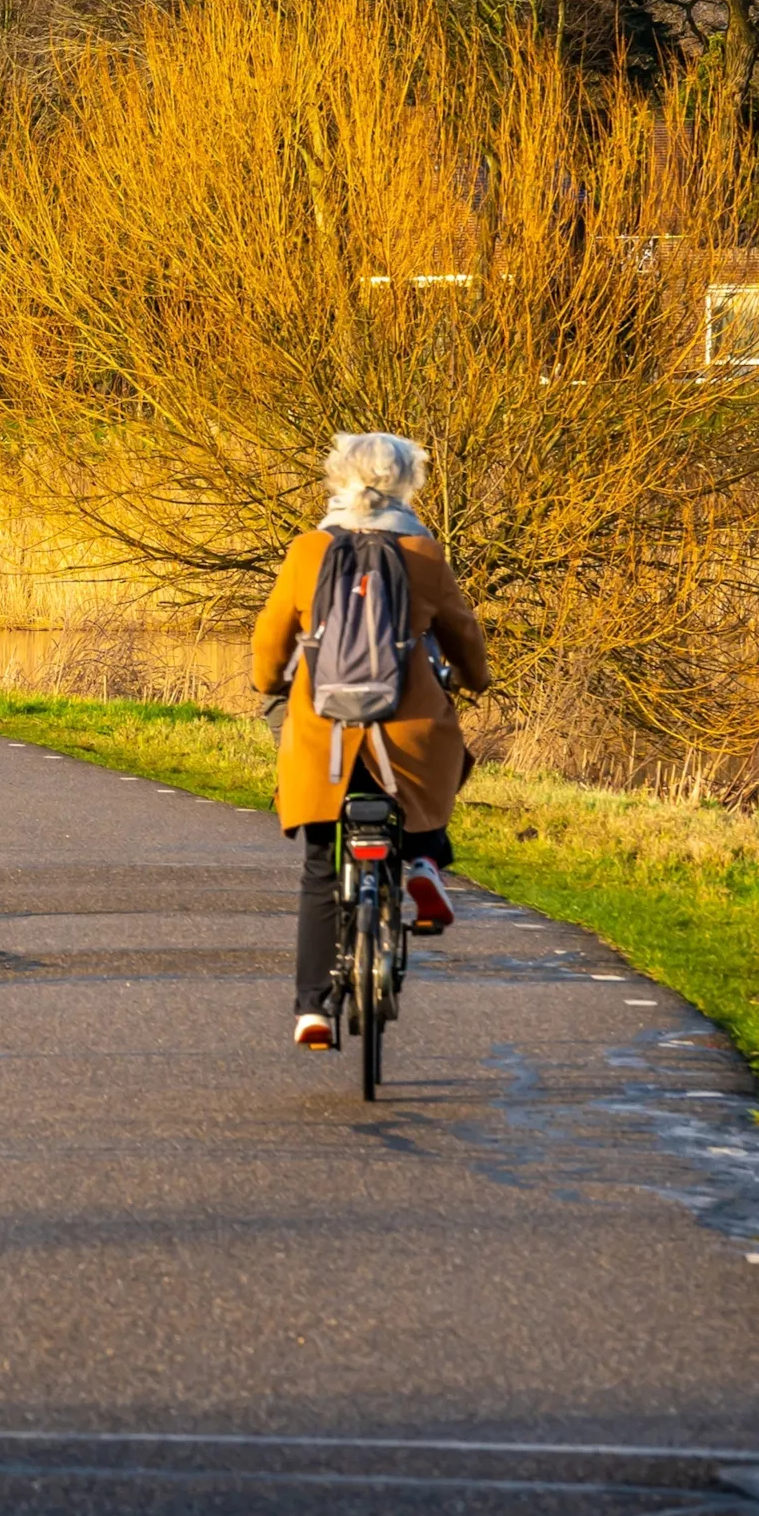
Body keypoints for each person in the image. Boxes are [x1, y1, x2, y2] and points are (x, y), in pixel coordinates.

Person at [249, 432, 491, 1054]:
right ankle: (421, 863)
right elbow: (464, 637)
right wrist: (473, 681)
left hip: (324, 737)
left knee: (319, 872)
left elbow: (271, 638)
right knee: (441, 770)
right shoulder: (423, 553)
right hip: (406, 736)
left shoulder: (308, 551)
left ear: (337, 479)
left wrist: (269, 682)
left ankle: (311, 1011)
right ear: (411, 482)